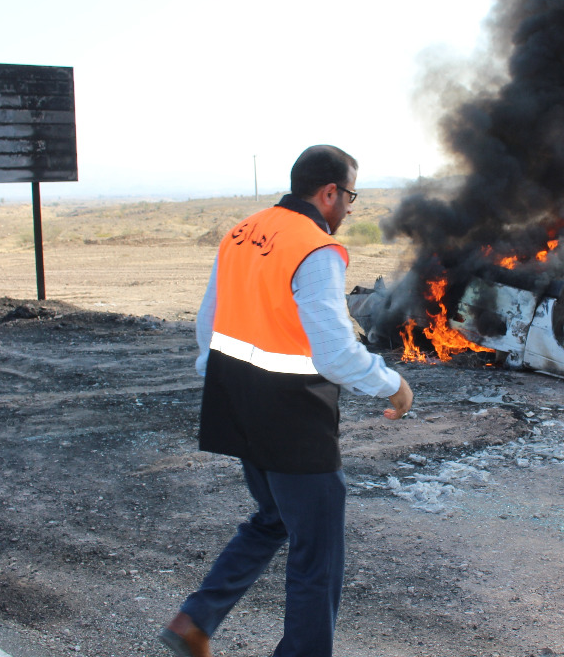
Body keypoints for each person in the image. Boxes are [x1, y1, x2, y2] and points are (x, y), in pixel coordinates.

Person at [159, 145, 413, 657]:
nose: (348, 210)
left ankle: (196, 621)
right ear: (328, 193)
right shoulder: (314, 248)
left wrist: (224, 384)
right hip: (293, 417)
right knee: (316, 554)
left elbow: (208, 323)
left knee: (273, 518)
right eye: (350, 197)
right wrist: (392, 384)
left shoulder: (242, 231)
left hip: (237, 403)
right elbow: (336, 352)